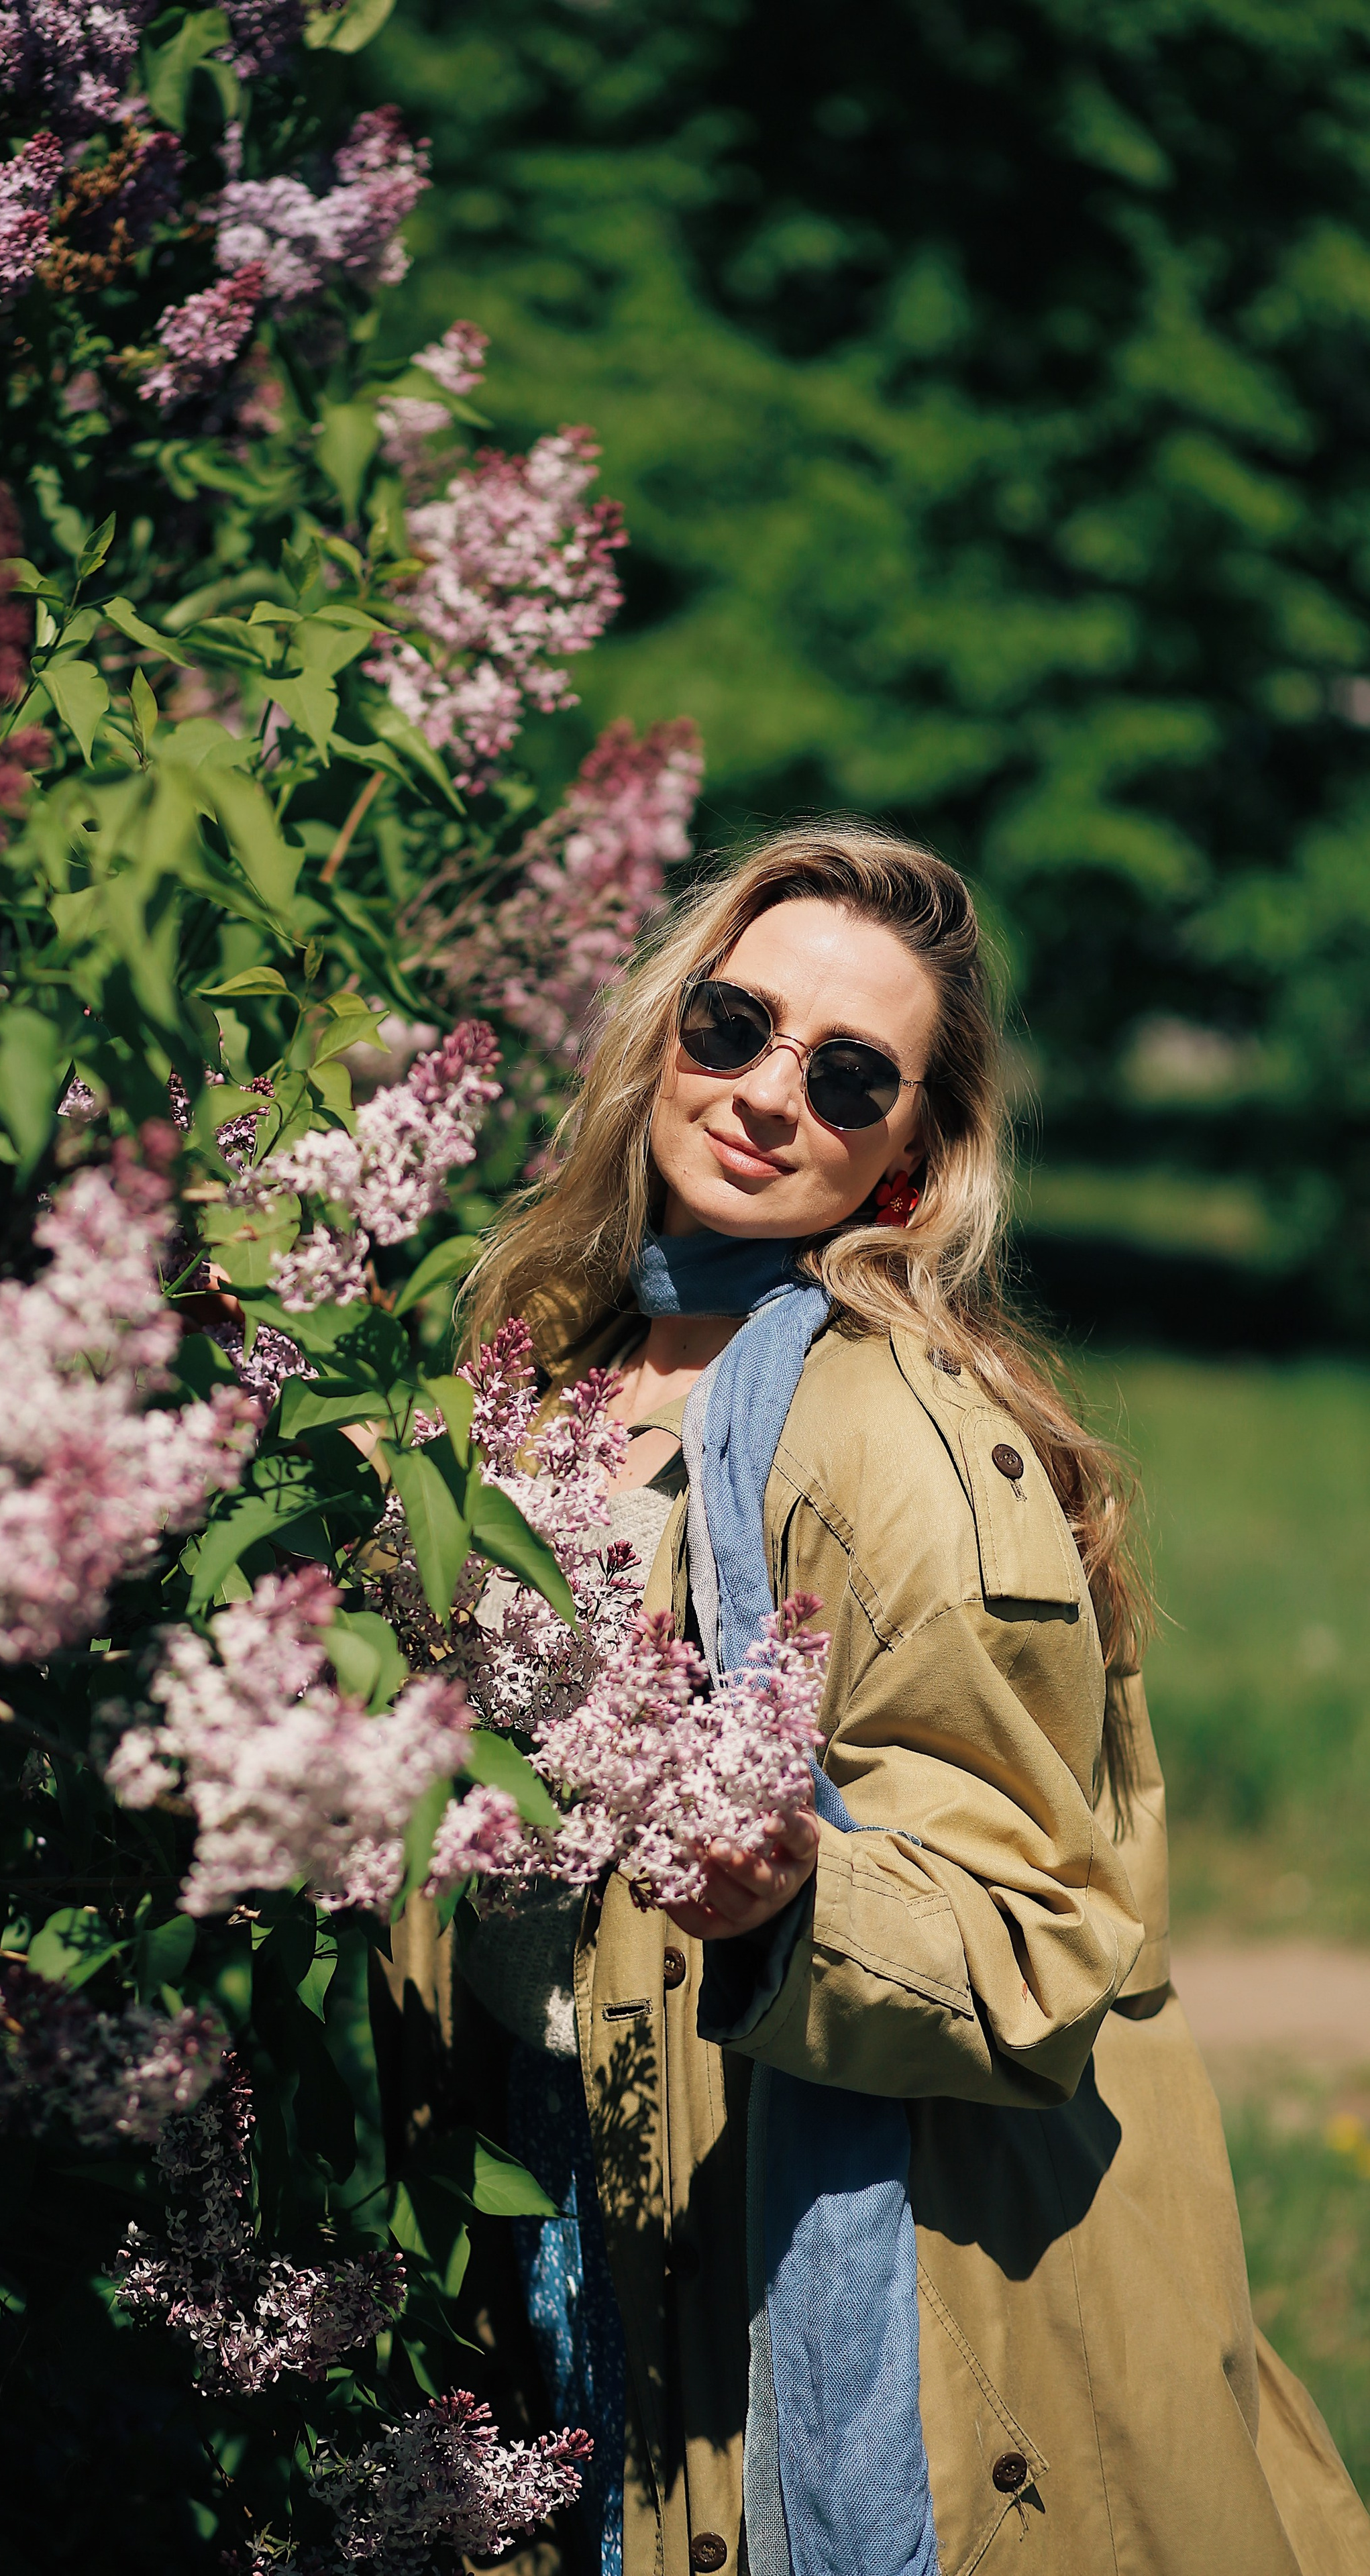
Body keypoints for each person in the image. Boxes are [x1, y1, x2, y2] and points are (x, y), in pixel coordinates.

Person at [369, 822, 1370, 2576]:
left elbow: (1043, 1929)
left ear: (910, 1157)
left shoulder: (885, 1435)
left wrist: (797, 1903)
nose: (767, 1094)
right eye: (734, 1026)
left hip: (774, 2236)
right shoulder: (544, 1371)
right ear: (660, 1029)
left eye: (846, 1077)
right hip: (558, 2193)